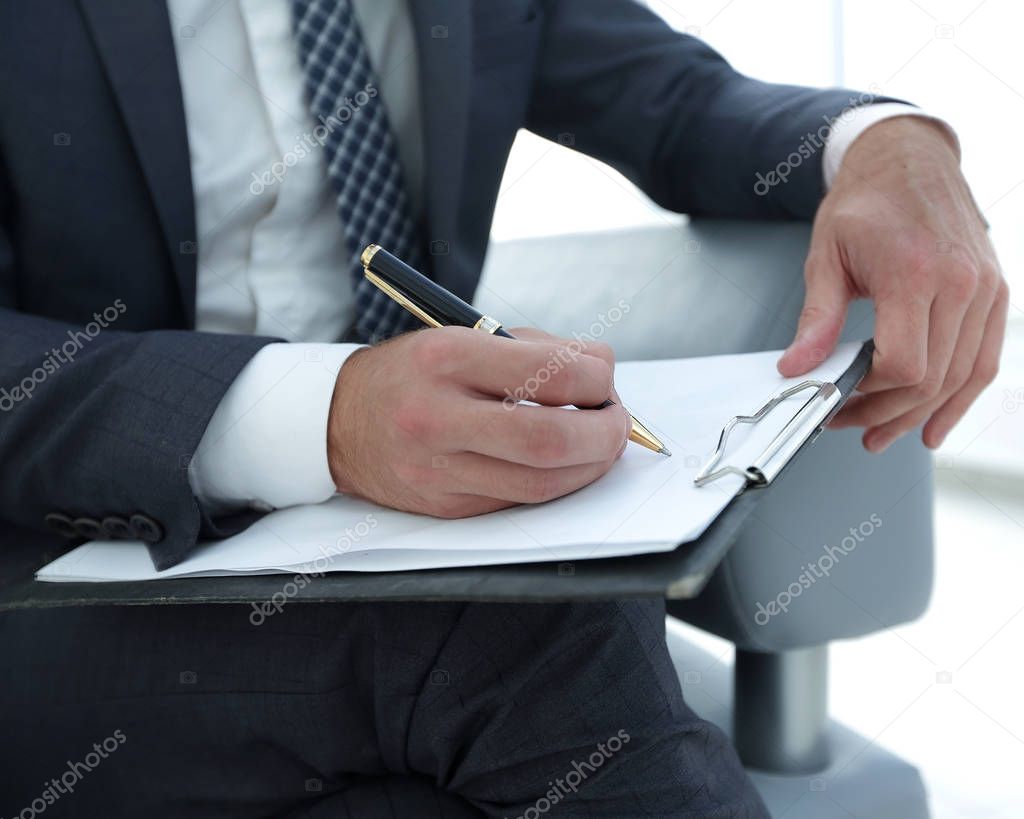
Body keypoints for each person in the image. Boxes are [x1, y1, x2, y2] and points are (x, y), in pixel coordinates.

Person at [0, 1, 1006, 816]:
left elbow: (681, 99)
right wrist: (324, 416)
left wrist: (886, 147)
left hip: (387, 549)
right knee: (533, 631)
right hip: (60, 563)